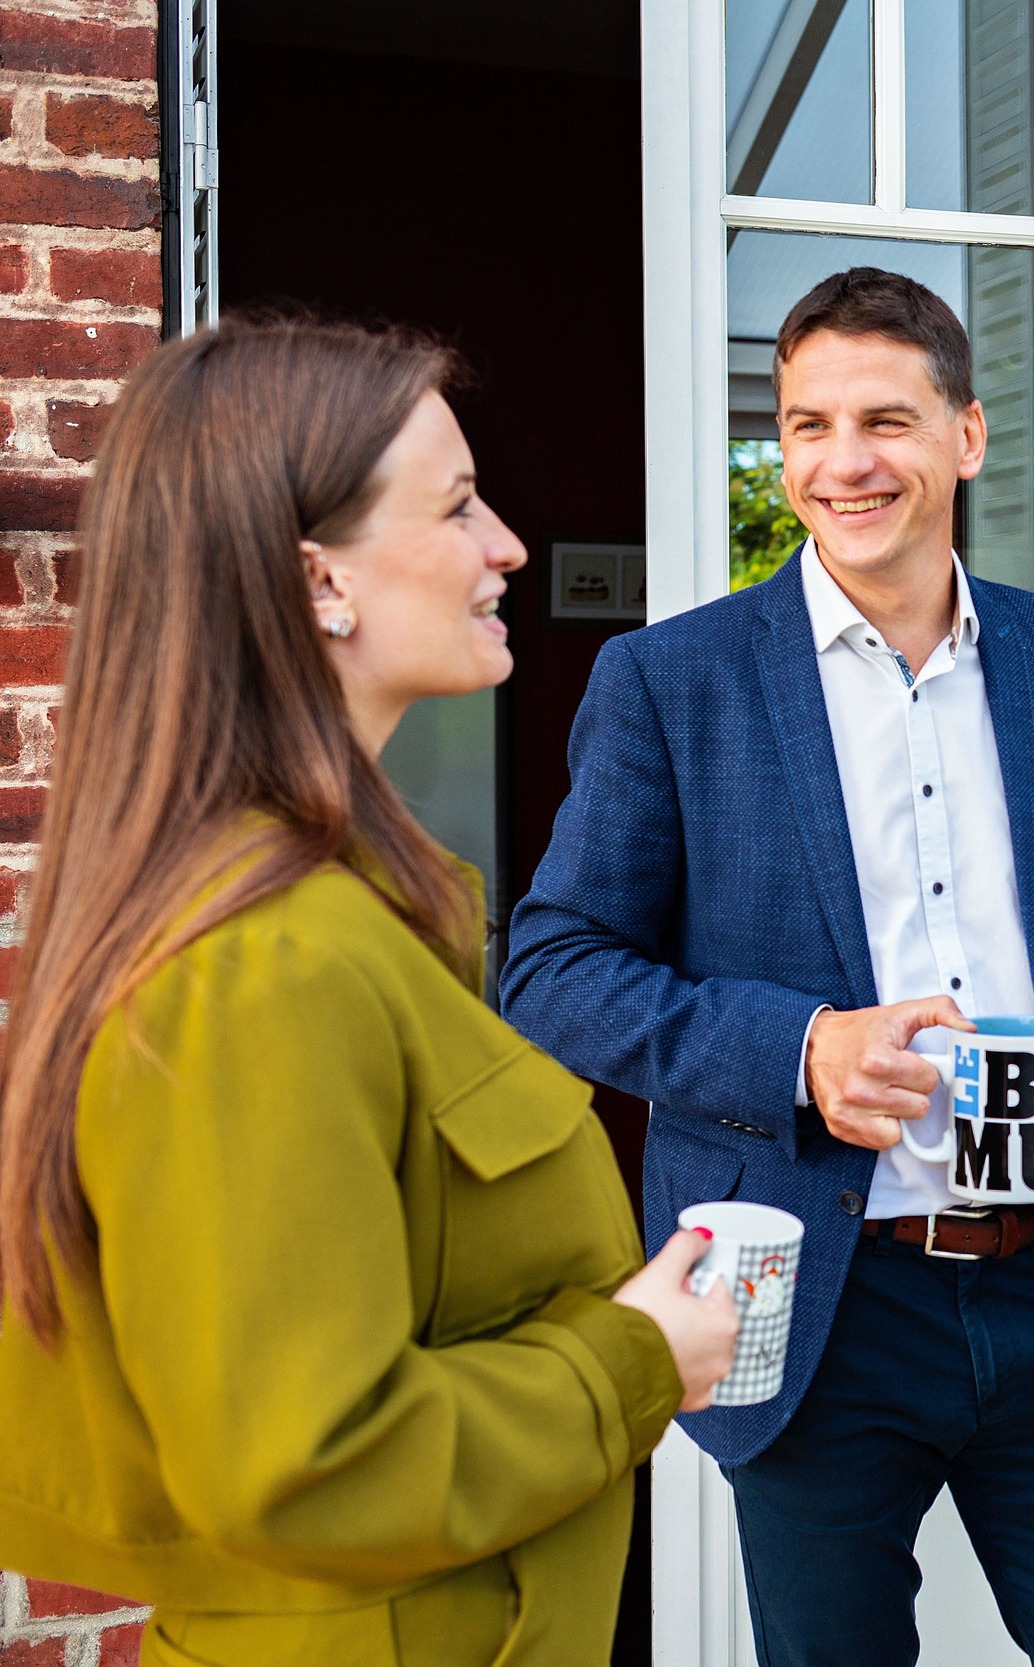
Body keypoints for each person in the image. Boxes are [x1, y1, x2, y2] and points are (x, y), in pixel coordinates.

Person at [0, 317, 737, 1666]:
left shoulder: (350, 913)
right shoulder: (255, 967)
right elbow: (301, 1462)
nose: (507, 545)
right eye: (458, 507)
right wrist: (634, 1360)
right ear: (318, 582)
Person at [499, 268, 1034, 1666]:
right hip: (824, 1303)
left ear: (967, 436)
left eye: (885, 418)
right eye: (807, 425)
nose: (844, 462)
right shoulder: (673, 681)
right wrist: (801, 1049)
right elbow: (551, 969)